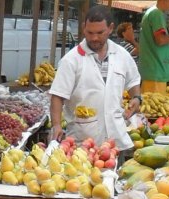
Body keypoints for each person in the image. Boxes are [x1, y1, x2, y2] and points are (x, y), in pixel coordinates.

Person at [48, 6, 142, 151]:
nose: (94, 38)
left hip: (116, 139)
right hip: (83, 142)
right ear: (83, 28)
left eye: (100, 32)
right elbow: (57, 95)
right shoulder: (71, 60)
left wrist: (136, 98)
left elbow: (133, 81)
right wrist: (56, 125)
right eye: (90, 32)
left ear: (110, 28)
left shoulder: (122, 55)